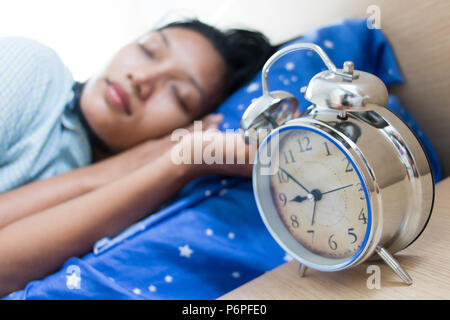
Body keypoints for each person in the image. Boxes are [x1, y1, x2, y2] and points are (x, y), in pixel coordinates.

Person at [0, 19, 275, 295]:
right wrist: (133, 162)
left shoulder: (140, 208)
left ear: (188, 127)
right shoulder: (35, 72)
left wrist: (181, 162)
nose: (142, 78)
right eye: (149, 50)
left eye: (178, 95)